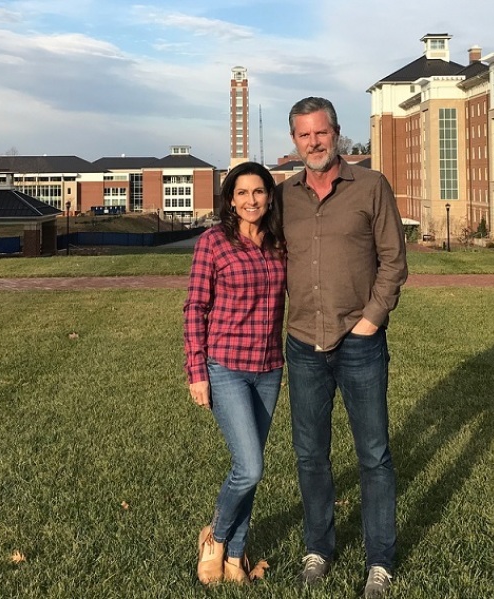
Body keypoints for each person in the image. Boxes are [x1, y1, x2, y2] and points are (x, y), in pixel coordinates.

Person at [278, 97, 408, 598]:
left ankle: (380, 561)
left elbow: (394, 260)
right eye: (304, 135)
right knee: (310, 454)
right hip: (303, 343)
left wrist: (372, 320)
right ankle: (318, 549)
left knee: (373, 455)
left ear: (336, 133)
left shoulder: (371, 186)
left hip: (359, 341)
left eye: (321, 132)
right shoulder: (284, 197)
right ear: (295, 140)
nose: (314, 142)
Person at [183, 161, 286, 586]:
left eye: (258, 191)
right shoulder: (213, 242)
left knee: (251, 465)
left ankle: (236, 556)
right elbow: (195, 307)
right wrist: (196, 370)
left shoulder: (279, 243)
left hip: (269, 367)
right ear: (230, 199)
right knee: (250, 466)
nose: (250, 200)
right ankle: (216, 537)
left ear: (269, 197)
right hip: (225, 366)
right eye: (241, 193)